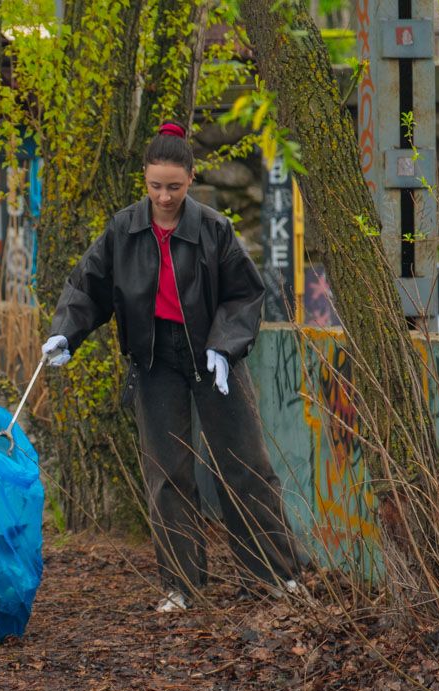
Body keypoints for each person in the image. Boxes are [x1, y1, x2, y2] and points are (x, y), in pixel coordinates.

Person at [42, 121, 304, 613]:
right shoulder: (123, 229)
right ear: (144, 179)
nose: (164, 197)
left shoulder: (213, 228)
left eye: (174, 187)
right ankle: (182, 584)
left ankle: (274, 573)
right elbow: (87, 286)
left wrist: (225, 349)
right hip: (154, 358)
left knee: (245, 464)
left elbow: (245, 294)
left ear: (191, 178)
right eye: (155, 186)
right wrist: (66, 331)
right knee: (168, 472)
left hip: (212, 356)